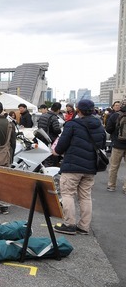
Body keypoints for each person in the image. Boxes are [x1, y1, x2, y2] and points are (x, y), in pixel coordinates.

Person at [52, 99, 106, 235]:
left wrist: (56, 152)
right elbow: (102, 144)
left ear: (78, 109)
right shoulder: (99, 125)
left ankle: (69, 224)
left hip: (72, 166)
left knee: (67, 194)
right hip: (91, 167)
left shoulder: (72, 125)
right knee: (85, 196)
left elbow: (61, 145)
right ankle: (83, 227)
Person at [105, 98, 126, 193]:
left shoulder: (115, 116)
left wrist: (115, 134)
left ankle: (111, 186)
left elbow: (108, 129)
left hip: (117, 144)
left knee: (114, 166)